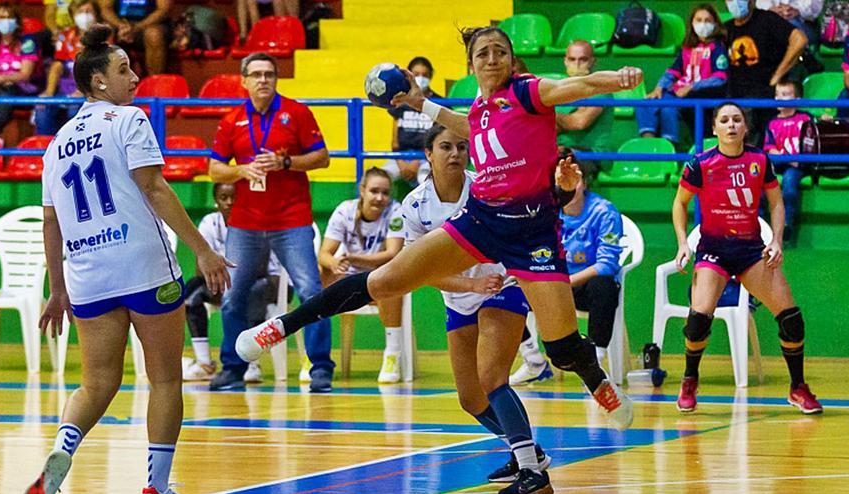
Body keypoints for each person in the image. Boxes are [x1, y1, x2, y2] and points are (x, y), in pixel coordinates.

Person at [237, 26, 639, 449]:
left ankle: (598, 382)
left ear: (511, 59)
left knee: (561, 348)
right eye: (482, 53)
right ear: (471, 64)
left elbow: (577, 85)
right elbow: (464, 123)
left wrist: (618, 79)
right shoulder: (482, 109)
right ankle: (279, 327)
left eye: (500, 51)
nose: (491, 58)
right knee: (386, 280)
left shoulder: (527, 91)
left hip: (532, 233)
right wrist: (419, 103)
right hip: (483, 221)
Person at [26, 24, 230, 494]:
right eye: (124, 69)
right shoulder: (128, 120)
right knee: (164, 380)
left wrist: (56, 290)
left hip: (88, 275)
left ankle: (64, 446)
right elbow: (154, 187)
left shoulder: (55, 145)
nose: (135, 77)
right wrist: (202, 248)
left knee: (96, 383)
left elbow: (51, 223)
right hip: (142, 266)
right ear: (99, 82)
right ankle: (156, 487)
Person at [402, 124, 553, 493]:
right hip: (460, 296)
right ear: (428, 154)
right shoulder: (415, 206)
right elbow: (416, 269)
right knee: (471, 398)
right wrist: (467, 284)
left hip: (503, 286)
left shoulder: (485, 188)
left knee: (492, 378)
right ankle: (526, 450)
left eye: (461, 146)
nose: (455, 153)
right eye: (445, 147)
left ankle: (532, 472)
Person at [672, 101, 823, 415]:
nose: (730, 125)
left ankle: (797, 387)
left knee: (791, 318)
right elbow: (679, 204)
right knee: (698, 320)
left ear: (745, 127)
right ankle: (690, 379)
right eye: (724, 120)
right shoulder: (700, 163)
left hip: (751, 252)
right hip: (713, 251)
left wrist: (777, 241)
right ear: (714, 128)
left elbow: (777, 204)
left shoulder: (760, 160)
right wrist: (683, 243)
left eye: (736, 120)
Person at [207, 52, 334, 392]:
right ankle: (233, 368)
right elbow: (214, 169)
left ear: (276, 79)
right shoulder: (231, 120)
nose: (263, 80)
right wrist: (241, 171)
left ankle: (320, 367)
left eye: (269, 74)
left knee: (310, 291)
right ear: (244, 81)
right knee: (232, 297)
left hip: (291, 219)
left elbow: (322, 159)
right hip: (246, 223)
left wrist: (287, 162)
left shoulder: (297, 112)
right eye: (257, 75)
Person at [511, 151, 623, 387]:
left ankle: (596, 364)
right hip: (551, 285)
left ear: (584, 182)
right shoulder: (544, 211)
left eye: (575, 178)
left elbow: (607, 264)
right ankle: (533, 361)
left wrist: (566, 282)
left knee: (604, 286)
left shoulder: (604, 212)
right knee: (506, 290)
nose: (568, 184)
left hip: (582, 287)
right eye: (560, 178)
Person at [182, 182, 280, 383]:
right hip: (222, 282)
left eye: (233, 197)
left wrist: (232, 280)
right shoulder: (210, 223)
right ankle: (204, 363)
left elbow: (259, 266)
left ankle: (251, 362)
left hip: (264, 281)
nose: (228, 202)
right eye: (223, 198)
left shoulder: (257, 220)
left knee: (252, 290)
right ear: (216, 201)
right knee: (191, 290)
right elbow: (201, 267)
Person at [319, 167, 406, 383]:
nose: (379, 198)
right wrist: (335, 262)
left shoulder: (396, 212)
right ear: (362, 190)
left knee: (394, 281)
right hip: (348, 277)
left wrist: (355, 258)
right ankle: (316, 355)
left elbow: (392, 253)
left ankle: (392, 354)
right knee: (321, 274)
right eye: (374, 191)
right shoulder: (344, 211)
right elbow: (324, 253)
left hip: (379, 277)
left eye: (385, 193)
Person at [637, 4, 728, 144]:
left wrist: (692, 87)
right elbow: (672, 71)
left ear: (715, 23)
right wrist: (659, 88)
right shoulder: (687, 48)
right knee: (646, 103)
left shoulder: (718, 47)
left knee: (668, 108)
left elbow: (720, 78)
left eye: (707, 20)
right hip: (677, 92)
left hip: (699, 94)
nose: (703, 24)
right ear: (692, 23)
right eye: (699, 20)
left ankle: (668, 147)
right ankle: (649, 145)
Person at [724, 0, 808, 145]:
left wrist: (777, 75)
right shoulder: (726, 29)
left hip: (763, 94)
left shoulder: (767, 20)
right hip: (734, 95)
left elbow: (799, 40)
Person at [35, 0, 100, 136]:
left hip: (91, 94)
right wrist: (49, 93)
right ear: (73, 15)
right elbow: (58, 65)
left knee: (74, 108)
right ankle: (46, 149)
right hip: (65, 90)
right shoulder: (66, 36)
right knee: (42, 107)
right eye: (81, 12)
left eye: (89, 12)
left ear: (96, 15)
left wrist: (85, 90)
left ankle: (74, 149)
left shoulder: (103, 37)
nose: (85, 16)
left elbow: (102, 69)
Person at [763, 80, 812, 246]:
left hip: (799, 164)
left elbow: (814, 141)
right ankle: (759, 226)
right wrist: (781, 156)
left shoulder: (805, 118)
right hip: (780, 162)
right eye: (777, 94)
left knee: (790, 185)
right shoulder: (772, 123)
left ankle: (786, 225)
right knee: (759, 182)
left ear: (797, 99)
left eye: (785, 95)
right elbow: (770, 148)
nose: (779, 98)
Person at [555, 40, 613, 172]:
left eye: (583, 60)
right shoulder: (557, 90)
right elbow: (548, 127)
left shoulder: (601, 89)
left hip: (592, 155)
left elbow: (580, 123)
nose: (577, 64)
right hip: (559, 149)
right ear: (565, 61)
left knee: (562, 161)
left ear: (593, 61)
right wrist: (567, 120)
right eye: (572, 59)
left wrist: (550, 114)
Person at [383, 56, 440, 191]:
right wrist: (401, 163)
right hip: (401, 157)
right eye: (416, 74)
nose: (421, 78)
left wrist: (418, 160)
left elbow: (439, 140)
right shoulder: (400, 102)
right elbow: (395, 142)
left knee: (426, 181)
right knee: (380, 179)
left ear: (431, 76)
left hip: (428, 158)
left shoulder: (440, 103)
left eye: (425, 75)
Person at [0, 4, 41, 137]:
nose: (6, 22)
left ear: (17, 21)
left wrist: (1, 78)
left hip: (22, 89)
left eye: (9, 17)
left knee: (6, 92)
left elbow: (25, 74)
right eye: (1, 18)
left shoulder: (27, 42)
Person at [100, 0, 172, 75]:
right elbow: (105, 9)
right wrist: (121, 26)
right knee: (105, 32)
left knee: (154, 35)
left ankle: (154, 82)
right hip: (120, 25)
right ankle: (109, 81)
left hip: (150, 24)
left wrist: (137, 27)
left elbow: (163, 10)